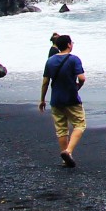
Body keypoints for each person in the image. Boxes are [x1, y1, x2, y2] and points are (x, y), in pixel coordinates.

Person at [38, 34, 86, 167]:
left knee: (61, 129)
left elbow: (45, 82)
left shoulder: (50, 61)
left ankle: (65, 159)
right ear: (69, 45)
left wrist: (42, 100)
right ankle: (68, 151)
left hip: (56, 99)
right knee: (79, 124)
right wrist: (78, 87)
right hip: (71, 98)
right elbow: (82, 78)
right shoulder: (74, 60)